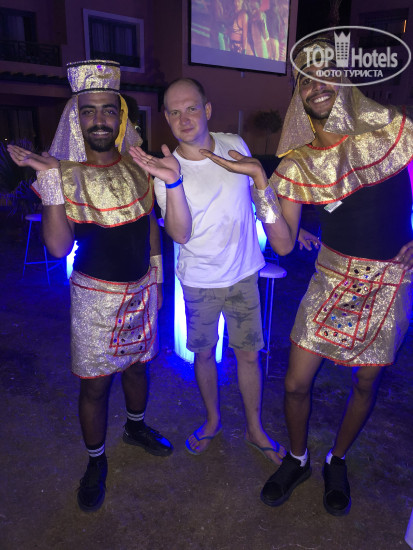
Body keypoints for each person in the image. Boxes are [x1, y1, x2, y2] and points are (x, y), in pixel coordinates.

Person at [200, 37, 413, 516]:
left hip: (391, 282)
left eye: (327, 72)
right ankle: (297, 460)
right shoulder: (298, 162)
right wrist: (261, 182)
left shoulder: (392, 131)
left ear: (346, 79)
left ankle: (338, 460)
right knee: (296, 384)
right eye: (306, 79)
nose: (317, 84)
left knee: (366, 384)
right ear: (299, 93)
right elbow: (282, 242)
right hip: (331, 279)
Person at [7, 60, 175, 513]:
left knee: (138, 368)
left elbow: (150, 225)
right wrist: (50, 181)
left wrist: (158, 279)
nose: (99, 119)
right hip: (94, 300)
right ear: (75, 118)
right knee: (95, 387)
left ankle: (135, 427)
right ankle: (96, 460)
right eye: (88, 110)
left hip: (142, 289)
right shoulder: (62, 172)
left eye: (108, 109)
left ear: (121, 116)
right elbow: (58, 247)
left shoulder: (140, 164)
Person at [129, 77, 285, 465]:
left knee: (248, 356)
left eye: (192, 108)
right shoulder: (166, 169)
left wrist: (282, 226)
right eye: (174, 112)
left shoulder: (234, 144)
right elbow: (180, 234)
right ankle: (213, 420)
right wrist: (174, 182)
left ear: (208, 109)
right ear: (166, 118)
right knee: (203, 356)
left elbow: (256, 196)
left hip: (244, 273)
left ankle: (255, 429)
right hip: (199, 280)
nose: (184, 119)